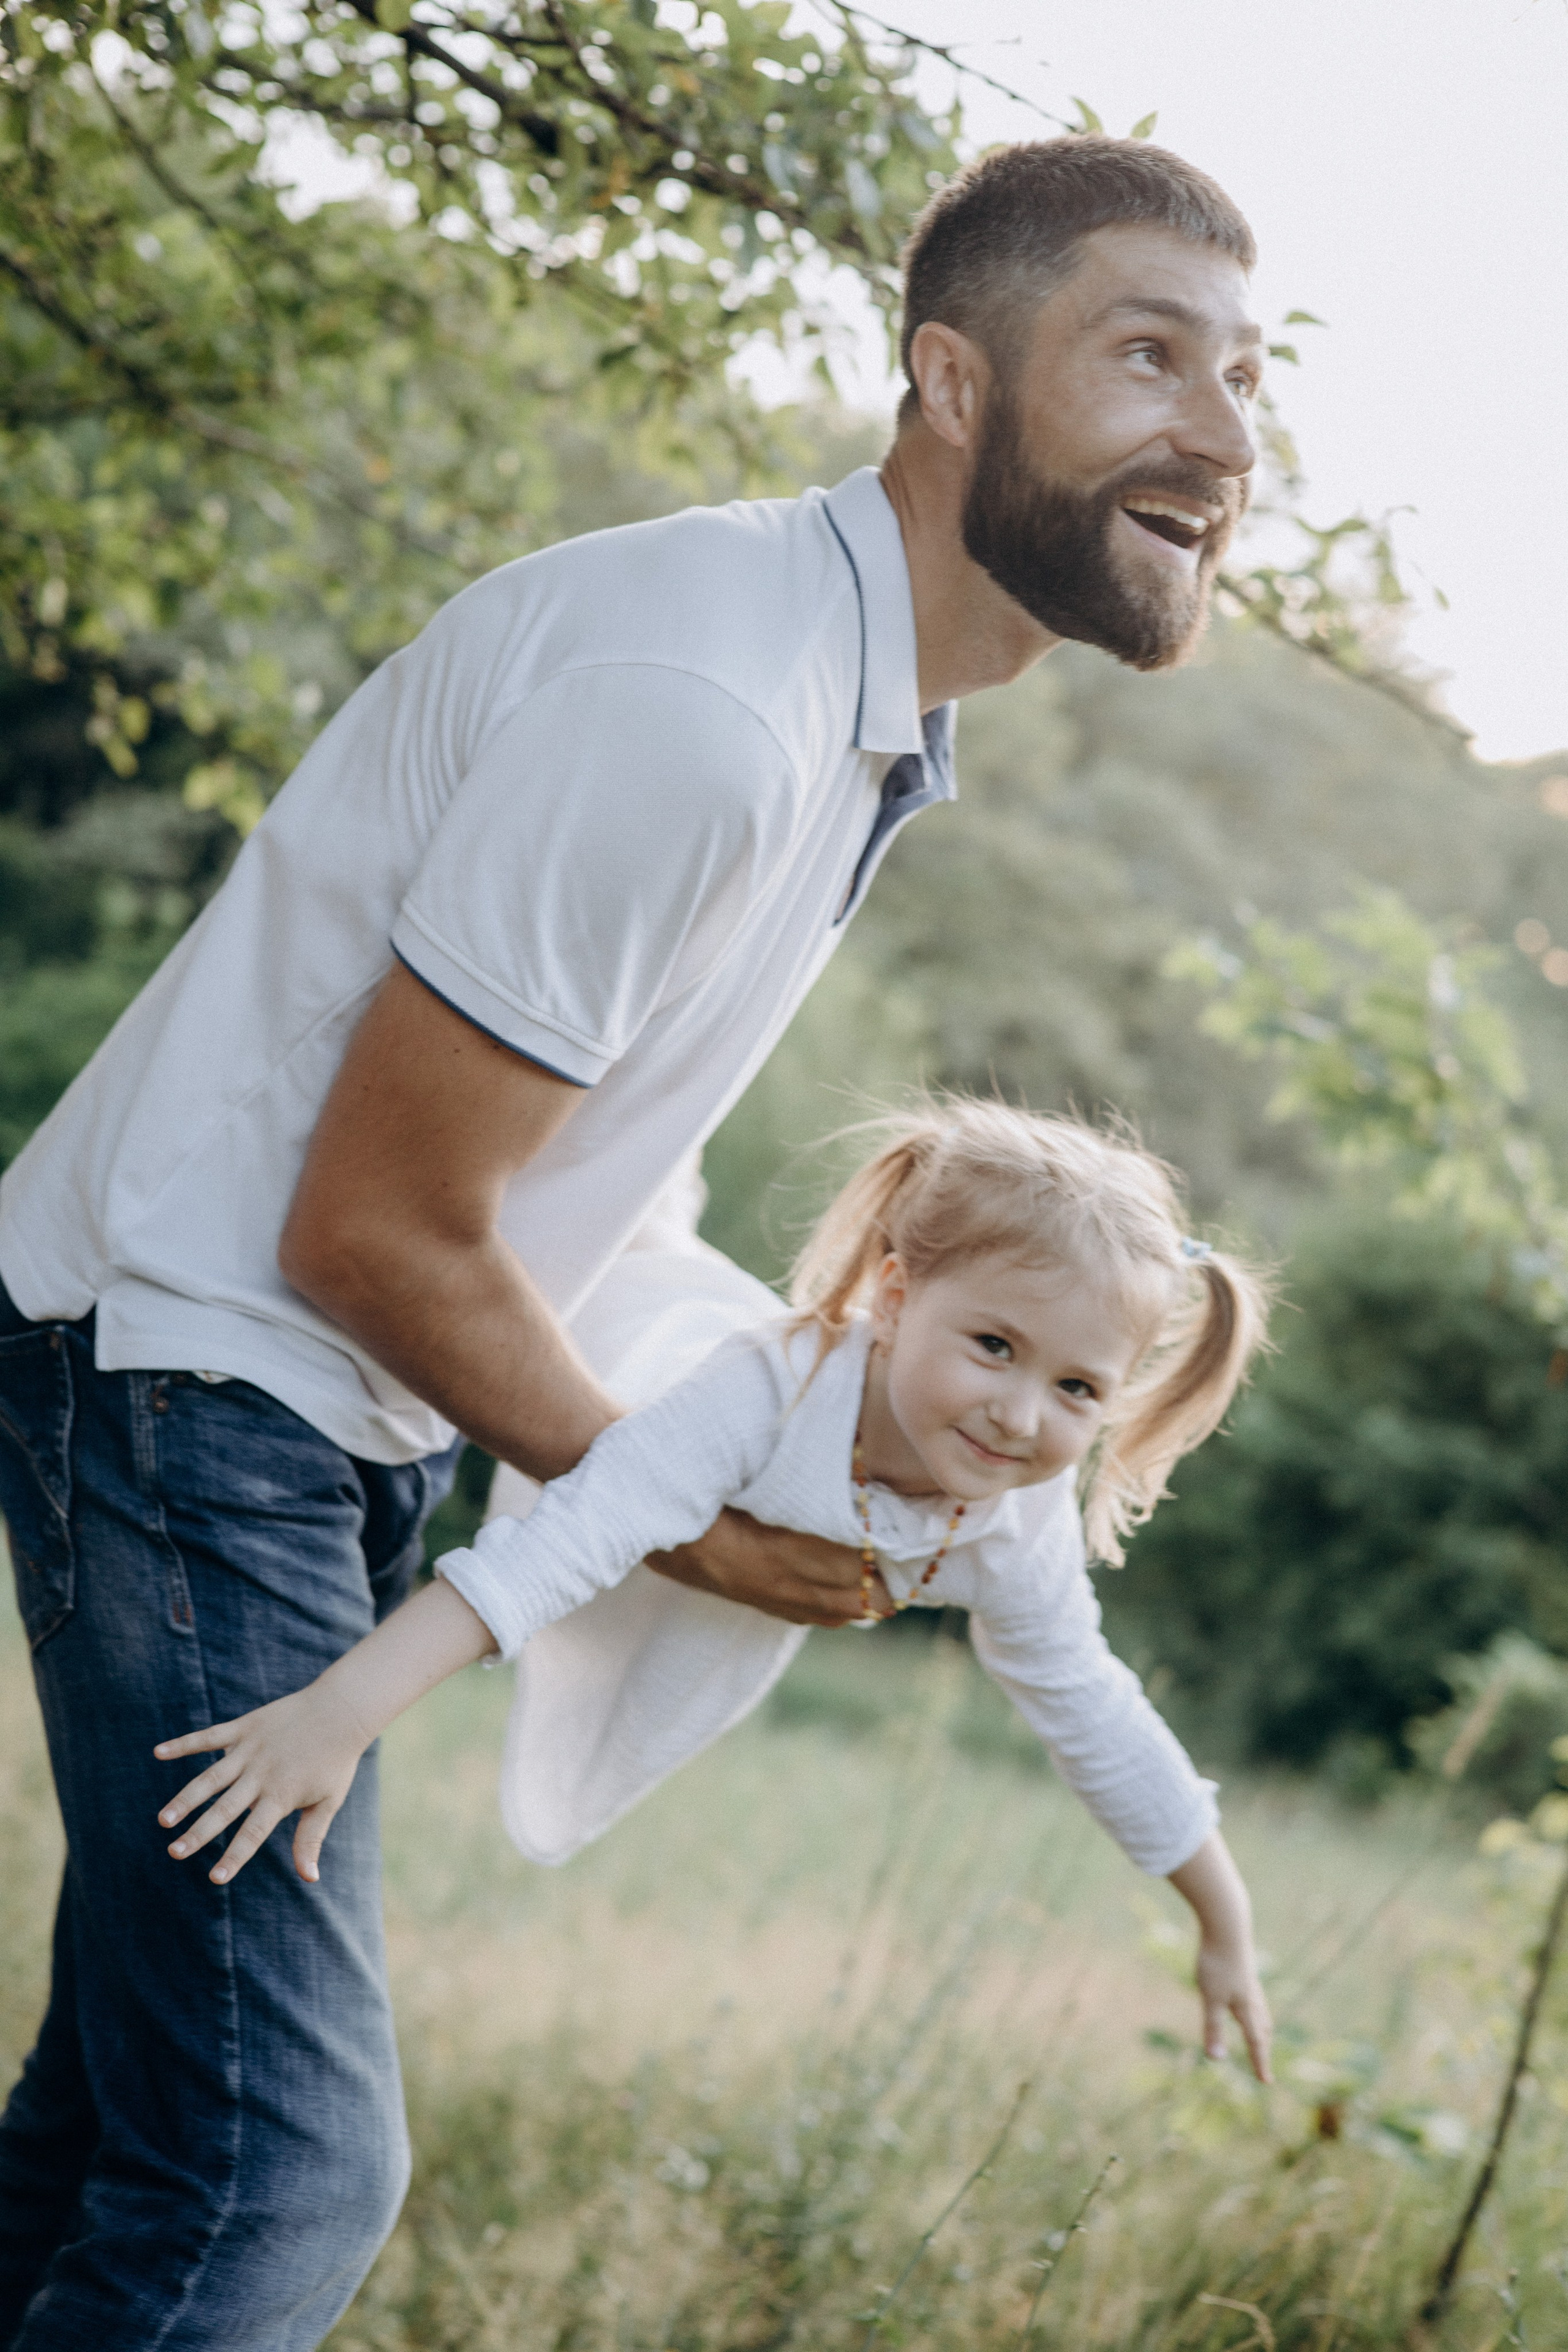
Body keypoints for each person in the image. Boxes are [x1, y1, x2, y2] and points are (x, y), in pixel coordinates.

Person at [0, 134, 1264, 2350]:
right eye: (1146, 355)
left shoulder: (856, 709)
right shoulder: (708, 714)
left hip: (317, 1403)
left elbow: (585, 1185)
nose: (1224, 436)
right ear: (951, 384)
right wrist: (693, 1521)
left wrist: (766, 1411)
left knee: (121, 2124)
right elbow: (378, 1229)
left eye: (1246, 378)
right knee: (279, 2176)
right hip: (202, 1377)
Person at [154, 1104, 1276, 2084]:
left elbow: (1091, 1705)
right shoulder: (760, 1390)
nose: (1022, 1417)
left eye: (1078, 1387)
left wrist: (1222, 1921)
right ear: (893, 1296)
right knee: (623, 1222)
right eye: (993, 1345)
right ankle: (651, 1136)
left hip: (710, 1438)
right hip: (619, 1335)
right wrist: (337, 1718)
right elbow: (566, 1543)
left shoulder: (1021, 1515)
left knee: (666, 1220)